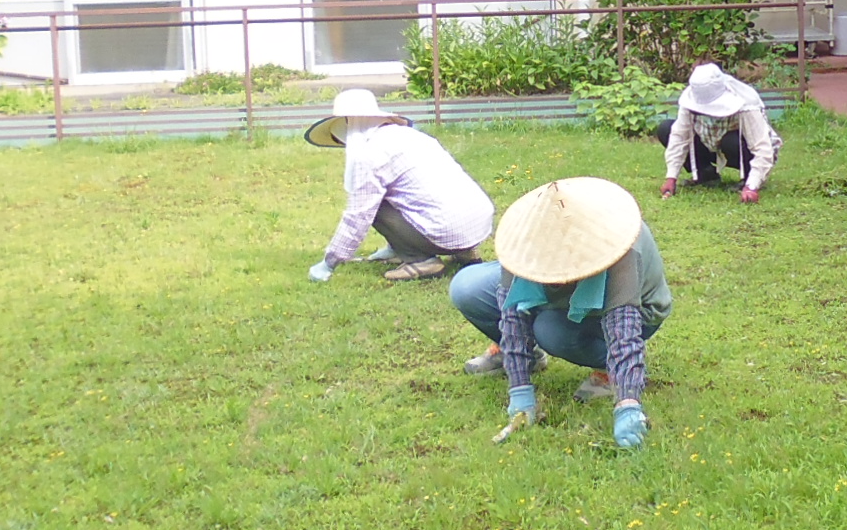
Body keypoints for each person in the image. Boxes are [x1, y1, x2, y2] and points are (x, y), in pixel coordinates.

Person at [450, 177, 672, 449]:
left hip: (637, 312)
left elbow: (622, 327)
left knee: (550, 331)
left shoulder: (622, 249)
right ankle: (525, 356)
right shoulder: (521, 243)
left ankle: (609, 367)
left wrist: (627, 404)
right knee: (466, 287)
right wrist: (519, 390)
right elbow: (512, 313)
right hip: (562, 299)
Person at [305, 88, 494, 284]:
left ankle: (420, 260)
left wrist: (329, 262)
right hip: (477, 223)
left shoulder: (369, 153)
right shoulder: (411, 136)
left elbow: (358, 215)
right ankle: (464, 251)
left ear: (347, 124)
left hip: (446, 229)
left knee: (374, 206)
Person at [655, 62, 778, 204]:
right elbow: (679, 136)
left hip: (737, 149)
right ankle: (706, 174)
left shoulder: (746, 102)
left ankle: (748, 179)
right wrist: (671, 177)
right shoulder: (690, 98)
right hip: (709, 143)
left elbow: (762, 148)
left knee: (730, 141)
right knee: (666, 129)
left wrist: (752, 186)